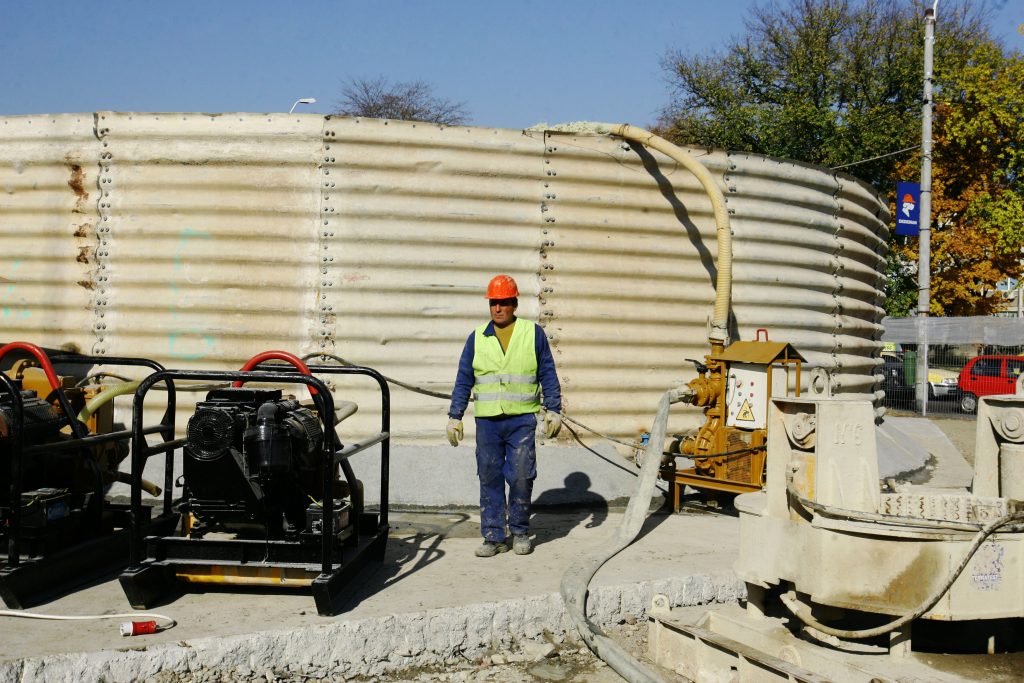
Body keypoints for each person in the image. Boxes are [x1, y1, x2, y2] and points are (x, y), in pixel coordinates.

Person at [446, 274, 562, 557]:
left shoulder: (532, 334)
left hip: (521, 419)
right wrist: (455, 415)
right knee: (489, 475)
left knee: (522, 475)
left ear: (514, 304)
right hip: (487, 421)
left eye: (503, 303)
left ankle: (520, 531)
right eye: (493, 303)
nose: (497, 309)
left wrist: (554, 409)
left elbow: (547, 372)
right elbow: (464, 378)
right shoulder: (477, 337)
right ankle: (494, 536)